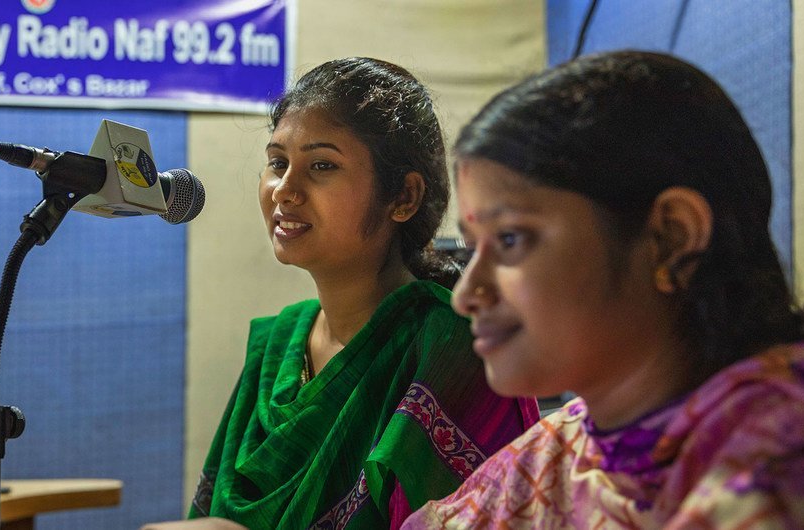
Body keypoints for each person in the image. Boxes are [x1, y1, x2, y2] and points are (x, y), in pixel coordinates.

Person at [401, 50, 804, 529]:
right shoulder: (573, 444)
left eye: (510, 240)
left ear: (671, 239)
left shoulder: (791, 456)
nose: (467, 294)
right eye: (473, 248)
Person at [146, 58, 539, 530]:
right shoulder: (278, 345)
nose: (284, 190)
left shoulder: (452, 351)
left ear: (404, 198)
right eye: (277, 162)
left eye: (322, 165)